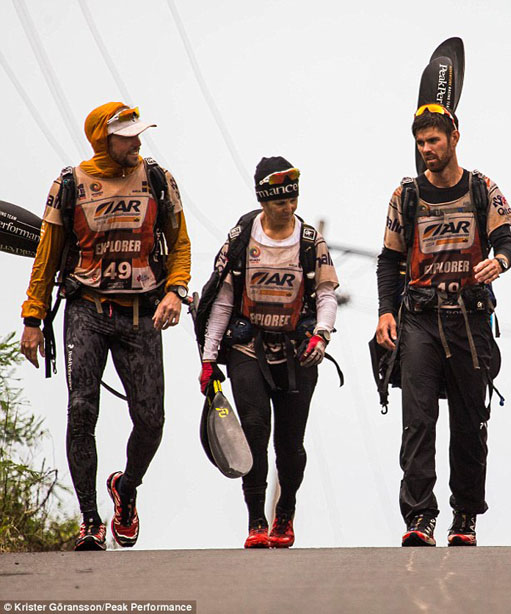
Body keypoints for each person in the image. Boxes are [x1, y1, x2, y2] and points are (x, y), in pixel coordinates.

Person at [20, 102, 191, 551]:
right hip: (86, 312)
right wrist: (33, 317)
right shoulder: (70, 184)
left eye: (138, 134)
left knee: (151, 420)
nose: (137, 142)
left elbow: (180, 244)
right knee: (82, 412)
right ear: (103, 139)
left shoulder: (158, 178)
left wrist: (176, 290)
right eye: (128, 136)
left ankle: (126, 488)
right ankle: (91, 520)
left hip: (142, 313)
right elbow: (47, 254)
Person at [375, 104, 511, 547]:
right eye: (420, 143)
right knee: (418, 420)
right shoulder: (406, 196)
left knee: (470, 421)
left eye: (433, 141)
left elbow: (507, 241)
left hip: (471, 321)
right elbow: (390, 259)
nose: (426, 150)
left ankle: (465, 516)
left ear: (454, 139)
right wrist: (384, 311)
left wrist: (500, 262)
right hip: (419, 319)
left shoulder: (481, 188)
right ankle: (419, 516)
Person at [199, 156, 338, 549]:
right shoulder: (243, 238)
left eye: (293, 199)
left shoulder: (311, 242)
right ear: (263, 200)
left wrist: (321, 336)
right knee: (255, 432)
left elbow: (326, 296)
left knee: (290, 444)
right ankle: (256, 520)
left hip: (298, 352)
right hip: (248, 349)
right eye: (280, 201)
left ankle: (285, 514)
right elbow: (222, 302)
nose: (289, 207)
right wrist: (210, 360)